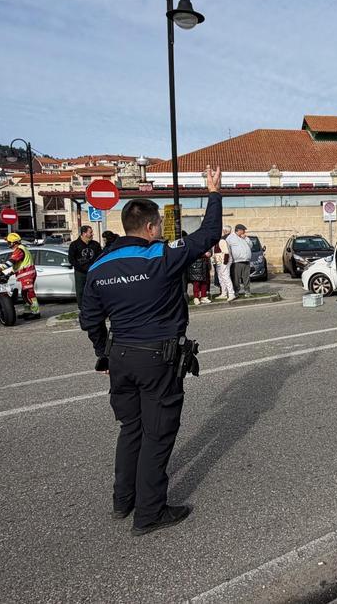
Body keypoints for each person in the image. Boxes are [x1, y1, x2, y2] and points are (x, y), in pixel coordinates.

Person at [80, 165, 223, 536]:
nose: (159, 229)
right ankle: (149, 513)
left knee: (131, 430)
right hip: (157, 358)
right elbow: (208, 235)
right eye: (158, 224)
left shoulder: (98, 266)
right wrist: (214, 191)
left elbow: (90, 319)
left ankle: (122, 501)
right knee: (158, 436)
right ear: (150, 227)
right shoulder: (160, 255)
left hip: (121, 357)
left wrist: (103, 354)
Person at [5, 232, 41, 320]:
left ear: (13, 242)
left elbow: (12, 261)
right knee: (25, 294)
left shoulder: (19, 250)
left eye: (9, 242)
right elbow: (18, 265)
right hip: (25, 274)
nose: (8, 243)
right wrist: (10, 273)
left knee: (29, 293)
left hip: (27, 274)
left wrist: (0, 268)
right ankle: (27, 311)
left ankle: (36, 312)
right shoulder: (21, 249)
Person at [68, 225, 103, 309]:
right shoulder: (74, 245)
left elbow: (101, 257)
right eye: (90, 232)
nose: (92, 234)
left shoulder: (95, 244)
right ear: (84, 233)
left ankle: (96, 306)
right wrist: (81, 267)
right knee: (81, 291)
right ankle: (82, 308)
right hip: (80, 273)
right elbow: (71, 259)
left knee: (95, 289)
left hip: (93, 272)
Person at [226, 223, 252, 296]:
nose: (244, 232)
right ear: (239, 230)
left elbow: (251, 245)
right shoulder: (231, 237)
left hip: (246, 260)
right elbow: (227, 248)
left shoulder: (245, 237)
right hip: (237, 261)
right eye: (243, 230)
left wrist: (246, 238)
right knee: (236, 278)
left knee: (246, 277)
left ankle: (247, 291)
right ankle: (236, 291)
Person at [212, 229, 235, 302]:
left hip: (224, 262)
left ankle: (231, 293)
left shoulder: (222, 241)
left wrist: (225, 262)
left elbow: (226, 253)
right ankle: (224, 293)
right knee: (221, 278)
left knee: (226, 277)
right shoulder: (215, 242)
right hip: (218, 262)